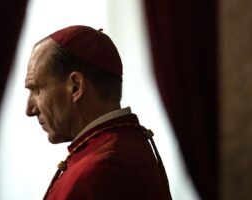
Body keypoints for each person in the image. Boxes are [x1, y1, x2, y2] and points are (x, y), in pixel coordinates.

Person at [25, 25, 172, 200]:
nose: (29, 110)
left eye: (36, 90)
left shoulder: (99, 170)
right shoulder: (128, 144)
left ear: (75, 86)